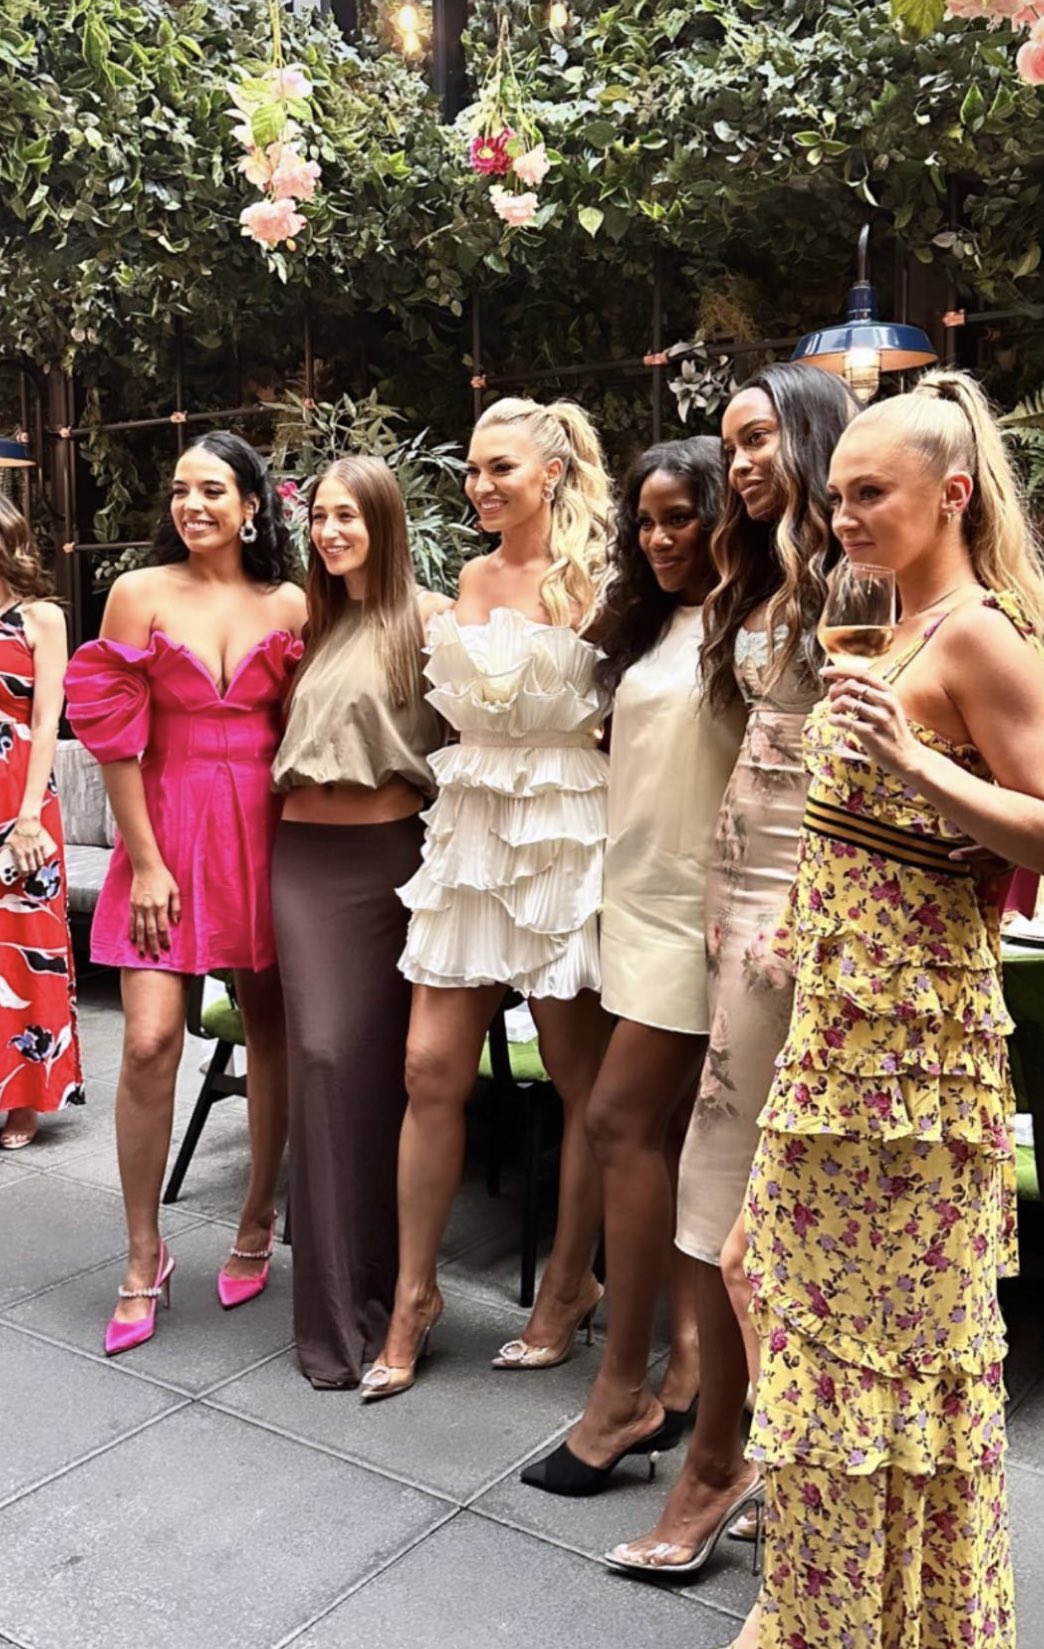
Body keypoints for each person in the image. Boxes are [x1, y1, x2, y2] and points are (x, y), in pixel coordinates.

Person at [741, 368, 1044, 1649]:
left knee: (877, 1354)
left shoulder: (975, 633)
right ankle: (851, 1609)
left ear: (952, 494)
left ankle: (875, 1621)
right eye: (839, 492)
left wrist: (914, 759)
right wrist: (794, 919)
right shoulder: (891, 624)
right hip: (848, 1029)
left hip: (914, 1053)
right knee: (790, 1296)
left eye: (870, 493)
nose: (841, 514)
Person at [605, 363, 858, 1589]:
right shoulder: (757, 577)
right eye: (731, 446)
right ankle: (748, 1447)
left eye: (758, 440)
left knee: (740, 1183)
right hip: (733, 900)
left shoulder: (856, 574)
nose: (742, 465)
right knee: (734, 1174)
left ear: (808, 437)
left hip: (812, 909)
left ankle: (720, 1453)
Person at [362, 395, 613, 1401]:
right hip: (469, 822)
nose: (478, 485)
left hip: (562, 821)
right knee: (429, 1066)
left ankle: (568, 1282)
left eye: (498, 467)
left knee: (580, 1078)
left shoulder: (599, 576)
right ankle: (415, 1294)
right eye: (471, 469)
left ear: (551, 472)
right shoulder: (468, 575)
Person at [522, 436, 744, 1494]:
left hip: (707, 920)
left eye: (680, 517)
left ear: (728, 514)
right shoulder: (658, 625)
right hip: (633, 902)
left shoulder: (759, 624)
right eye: (646, 520)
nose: (658, 538)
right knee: (660, 1137)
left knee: (615, 1122)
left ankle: (624, 1391)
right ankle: (687, 1369)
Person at [64, 432, 305, 1357]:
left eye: (212, 490)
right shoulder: (139, 593)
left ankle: (255, 1221)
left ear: (252, 506)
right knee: (154, 1039)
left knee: (271, 1030)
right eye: (179, 490)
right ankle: (141, 1252)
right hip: (163, 832)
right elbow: (117, 736)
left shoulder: (289, 601)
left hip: (264, 834)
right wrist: (148, 857)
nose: (191, 505)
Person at [271, 455, 449, 1389]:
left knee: (373, 1076)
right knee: (326, 1064)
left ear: (384, 521)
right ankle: (335, 1310)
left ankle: (393, 1293)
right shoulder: (317, 623)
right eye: (322, 517)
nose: (332, 532)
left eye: (350, 516)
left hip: (387, 863)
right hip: (300, 864)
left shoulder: (431, 618)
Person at [0, 497, 84, 1148]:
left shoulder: (41, 617)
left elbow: (50, 718)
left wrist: (29, 815)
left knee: (27, 942)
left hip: (21, 795)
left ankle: (27, 1096)